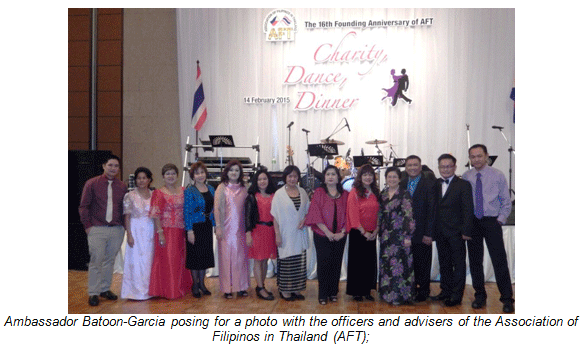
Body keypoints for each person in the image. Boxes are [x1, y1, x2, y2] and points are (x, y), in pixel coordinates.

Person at [462, 144, 514, 313]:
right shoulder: (466, 176)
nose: (476, 159)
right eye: (473, 156)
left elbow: (506, 201)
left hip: (492, 222)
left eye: (479, 156)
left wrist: (499, 220)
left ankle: (507, 299)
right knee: (475, 261)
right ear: (469, 158)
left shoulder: (497, 175)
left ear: (486, 156)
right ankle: (479, 296)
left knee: (499, 260)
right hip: (473, 223)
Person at [79, 155, 127, 306]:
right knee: (96, 260)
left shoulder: (122, 186)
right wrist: (88, 226)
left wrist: (124, 227)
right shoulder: (92, 183)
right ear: (104, 166)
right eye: (110, 165)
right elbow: (83, 206)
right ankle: (93, 292)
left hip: (116, 229)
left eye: (116, 166)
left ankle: (105, 289)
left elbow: (124, 208)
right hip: (97, 228)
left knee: (110, 260)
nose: (113, 168)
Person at [431, 154, 473, 306]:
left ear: (455, 167)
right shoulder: (435, 184)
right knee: (444, 263)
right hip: (440, 232)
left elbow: (468, 209)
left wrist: (466, 231)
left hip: (457, 232)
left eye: (449, 166)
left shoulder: (463, 185)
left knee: (458, 264)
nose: (446, 169)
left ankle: (456, 295)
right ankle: (445, 291)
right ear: (439, 168)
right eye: (443, 166)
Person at [305, 165, 348, 305]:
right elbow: (315, 213)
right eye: (328, 174)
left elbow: (350, 215)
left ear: (338, 177)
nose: (330, 176)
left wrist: (342, 233)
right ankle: (323, 294)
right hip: (322, 234)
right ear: (324, 177)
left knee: (336, 263)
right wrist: (328, 232)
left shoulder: (345, 194)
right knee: (324, 264)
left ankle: (333, 292)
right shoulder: (319, 192)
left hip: (340, 236)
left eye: (333, 174)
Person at [148, 163, 192, 299]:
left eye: (173, 173)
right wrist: (160, 233)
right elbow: (155, 214)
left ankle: (180, 287)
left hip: (181, 230)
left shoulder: (184, 191)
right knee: (168, 260)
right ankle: (169, 290)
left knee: (180, 259)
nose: (171, 176)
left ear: (177, 175)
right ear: (163, 176)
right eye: (168, 174)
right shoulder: (159, 193)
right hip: (165, 231)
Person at [271, 165, 310, 301]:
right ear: (285, 177)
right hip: (285, 233)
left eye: (295, 176)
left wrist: (304, 220)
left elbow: (308, 210)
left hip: (299, 233)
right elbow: (274, 216)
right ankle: (285, 290)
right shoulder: (279, 194)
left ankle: (296, 289)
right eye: (290, 176)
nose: (293, 179)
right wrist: (277, 234)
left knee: (299, 262)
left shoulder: (303, 192)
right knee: (287, 261)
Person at [400, 155, 436, 302]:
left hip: (423, 232)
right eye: (409, 165)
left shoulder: (429, 184)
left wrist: (429, 233)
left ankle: (424, 290)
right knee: (408, 262)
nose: (413, 168)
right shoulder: (401, 183)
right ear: (406, 168)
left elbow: (432, 210)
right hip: (405, 232)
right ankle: (411, 288)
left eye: (415, 165)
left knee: (423, 262)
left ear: (420, 167)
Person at [377, 167, 415, 305]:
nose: (392, 179)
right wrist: (377, 231)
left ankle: (400, 296)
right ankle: (386, 294)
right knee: (387, 265)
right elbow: (380, 214)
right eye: (389, 177)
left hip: (400, 236)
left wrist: (407, 236)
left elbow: (409, 215)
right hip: (386, 236)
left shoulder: (405, 194)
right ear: (386, 179)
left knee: (399, 266)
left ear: (399, 179)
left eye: (394, 177)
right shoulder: (383, 194)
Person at [214, 160, 250, 299]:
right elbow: (217, 208)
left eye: (237, 170)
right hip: (226, 229)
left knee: (241, 259)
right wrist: (218, 226)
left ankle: (241, 286)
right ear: (227, 172)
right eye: (231, 170)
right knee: (226, 259)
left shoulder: (244, 188)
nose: (234, 173)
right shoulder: (222, 188)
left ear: (240, 173)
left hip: (241, 229)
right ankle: (227, 288)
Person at [346, 164, 380, 301]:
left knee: (369, 262)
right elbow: (352, 214)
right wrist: (363, 231)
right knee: (357, 263)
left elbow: (380, 213)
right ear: (360, 177)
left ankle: (367, 290)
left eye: (370, 175)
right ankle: (356, 291)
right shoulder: (354, 192)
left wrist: (376, 230)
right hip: (358, 233)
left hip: (372, 232)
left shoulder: (376, 192)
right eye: (365, 175)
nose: (368, 177)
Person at [121, 167, 155, 300]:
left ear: (149, 180)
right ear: (135, 180)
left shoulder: (154, 194)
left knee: (149, 260)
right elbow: (127, 217)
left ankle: (149, 290)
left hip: (150, 229)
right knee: (136, 260)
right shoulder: (130, 195)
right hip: (135, 229)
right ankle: (135, 291)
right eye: (139, 178)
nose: (141, 181)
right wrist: (129, 234)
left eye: (144, 178)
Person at [244, 168, 277, 301]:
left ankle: (261, 285)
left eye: (264, 179)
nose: (262, 181)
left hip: (270, 231)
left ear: (268, 181)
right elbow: (246, 217)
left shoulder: (273, 195)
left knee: (265, 260)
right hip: (257, 231)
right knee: (258, 260)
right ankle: (259, 287)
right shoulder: (252, 196)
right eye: (259, 179)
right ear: (255, 181)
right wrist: (248, 234)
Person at [184, 162, 215, 298]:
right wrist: (189, 231)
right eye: (197, 173)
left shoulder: (211, 189)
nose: (200, 175)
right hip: (195, 227)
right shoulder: (189, 191)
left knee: (205, 256)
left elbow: (213, 209)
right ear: (193, 175)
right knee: (195, 257)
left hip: (207, 226)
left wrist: (215, 225)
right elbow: (187, 212)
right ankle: (195, 285)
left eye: (202, 172)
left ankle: (202, 284)